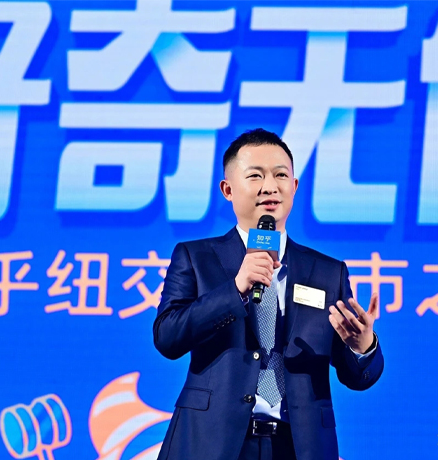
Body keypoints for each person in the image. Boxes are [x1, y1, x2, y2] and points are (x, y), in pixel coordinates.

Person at [153, 128, 384, 460]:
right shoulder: (196, 257)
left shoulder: (328, 272)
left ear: (294, 186)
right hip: (211, 442)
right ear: (228, 189)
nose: (270, 186)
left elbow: (357, 377)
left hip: (298, 446)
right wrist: (235, 289)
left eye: (280, 175)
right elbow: (167, 337)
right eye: (255, 176)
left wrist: (362, 348)